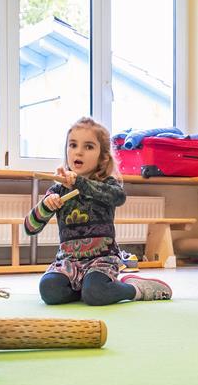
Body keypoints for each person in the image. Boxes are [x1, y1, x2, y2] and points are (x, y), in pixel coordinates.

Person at [26, 116, 172, 306]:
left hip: (101, 259)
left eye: (88, 147)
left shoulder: (106, 184)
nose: (78, 152)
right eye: (73, 145)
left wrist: (79, 182)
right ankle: (85, 289)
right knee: (49, 291)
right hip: (68, 261)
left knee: (96, 293)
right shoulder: (58, 190)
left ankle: (134, 288)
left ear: (103, 157)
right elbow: (30, 228)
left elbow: (117, 197)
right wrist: (45, 206)